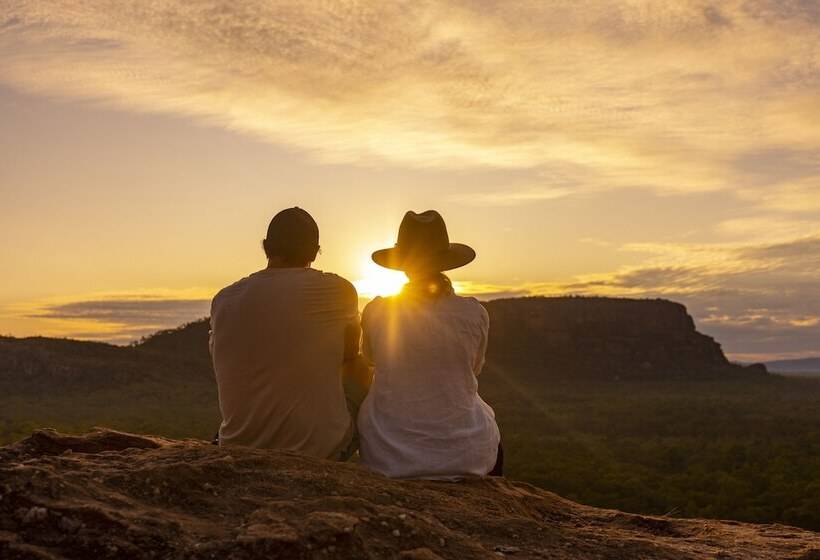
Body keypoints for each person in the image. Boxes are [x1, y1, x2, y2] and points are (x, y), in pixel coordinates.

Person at [209, 207, 371, 460]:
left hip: (237, 443)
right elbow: (350, 356)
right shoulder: (338, 290)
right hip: (318, 451)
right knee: (364, 366)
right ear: (315, 252)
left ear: (265, 246)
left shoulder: (224, 299)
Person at [357, 210, 502, 479]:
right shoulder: (473, 313)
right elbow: (474, 368)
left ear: (403, 264)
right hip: (467, 453)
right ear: (445, 262)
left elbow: (370, 359)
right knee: (486, 417)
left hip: (389, 454)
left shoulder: (377, 311)